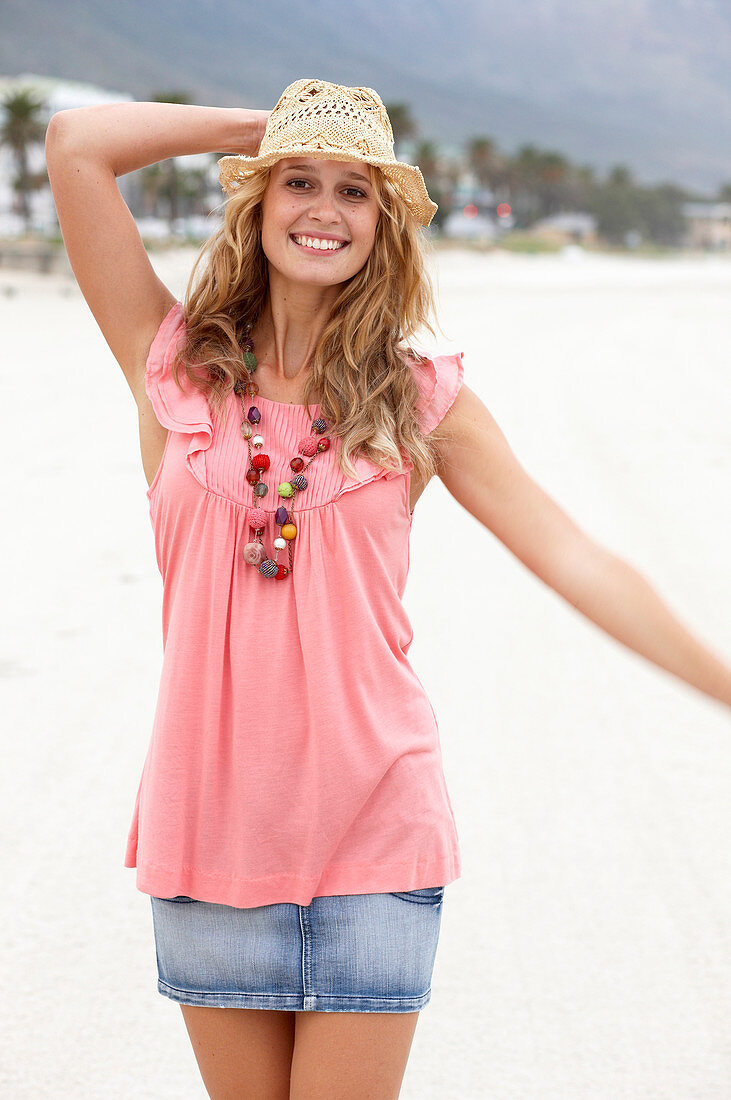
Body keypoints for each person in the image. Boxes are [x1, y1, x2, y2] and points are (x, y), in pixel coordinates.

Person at [45, 77, 730, 1099]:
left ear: (385, 225)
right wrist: (269, 123)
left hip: (374, 822)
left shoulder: (422, 401)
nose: (323, 210)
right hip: (212, 828)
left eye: (355, 191)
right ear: (258, 200)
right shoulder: (178, 367)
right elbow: (74, 145)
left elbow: (574, 555)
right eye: (299, 183)